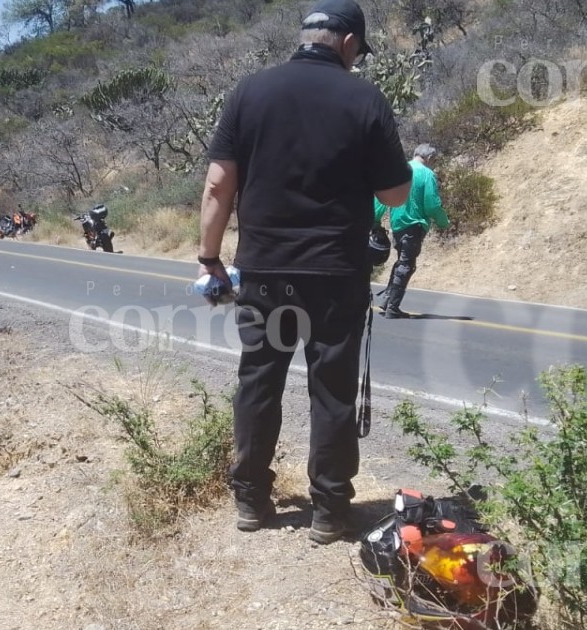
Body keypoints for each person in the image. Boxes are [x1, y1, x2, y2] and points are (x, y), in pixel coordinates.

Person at [195, 0, 413, 545]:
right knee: (332, 389)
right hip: (336, 274)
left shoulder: (249, 92)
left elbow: (219, 186)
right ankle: (329, 511)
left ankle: (250, 501)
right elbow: (396, 192)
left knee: (259, 380)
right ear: (346, 43)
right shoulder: (364, 98)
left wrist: (210, 258)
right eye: (357, 50)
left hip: (265, 271)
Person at [374, 143, 449, 318]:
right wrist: (444, 222)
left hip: (397, 225)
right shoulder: (427, 174)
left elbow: (381, 200)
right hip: (414, 225)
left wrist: (375, 221)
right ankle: (393, 307)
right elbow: (432, 204)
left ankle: (387, 301)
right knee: (406, 265)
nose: (434, 164)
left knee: (401, 262)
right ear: (429, 158)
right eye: (434, 160)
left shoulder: (399, 169)